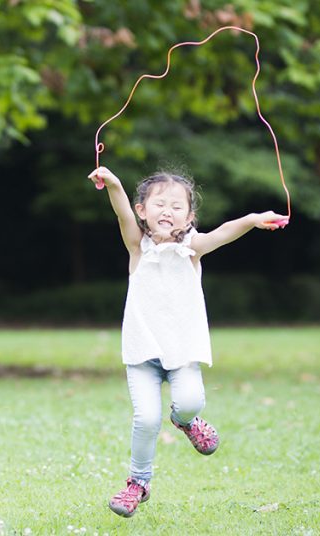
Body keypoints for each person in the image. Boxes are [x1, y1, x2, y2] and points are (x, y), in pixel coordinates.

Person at [88, 166, 287, 518]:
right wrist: (114, 183)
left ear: (190, 216)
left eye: (177, 206)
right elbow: (119, 210)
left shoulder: (192, 249)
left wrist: (253, 219)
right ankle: (138, 483)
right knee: (146, 419)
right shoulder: (138, 248)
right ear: (142, 211)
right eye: (159, 204)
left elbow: (224, 233)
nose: (168, 211)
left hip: (182, 352)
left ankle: (185, 421)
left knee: (191, 401)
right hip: (142, 352)